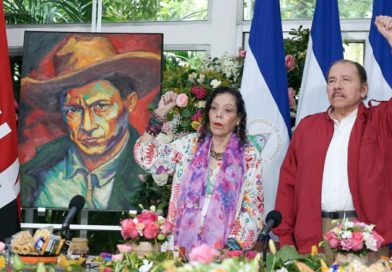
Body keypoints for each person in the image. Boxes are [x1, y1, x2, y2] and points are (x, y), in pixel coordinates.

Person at [274, 15, 392, 258]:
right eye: (331, 81)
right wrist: (285, 239)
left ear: (363, 90)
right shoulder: (308, 127)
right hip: (315, 236)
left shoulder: (379, 121)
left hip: (368, 234)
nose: (337, 86)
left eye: (346, 80)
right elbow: (288, 184)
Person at [20, 34, 161, 210]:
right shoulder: (37, 173)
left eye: (101, 106)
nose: (87, 126)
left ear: (130, 102)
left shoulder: (151, 170)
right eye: (73, 110)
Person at [134, 87, 264, 253]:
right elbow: (146, 158)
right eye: (214, 108)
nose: (219, 114)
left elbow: (253, 210)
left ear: (238, 119)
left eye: (228, 110)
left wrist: (229, 249)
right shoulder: (190, 145)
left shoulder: (249, 156)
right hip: (179, 249)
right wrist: (159, 114)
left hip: (223, 254)